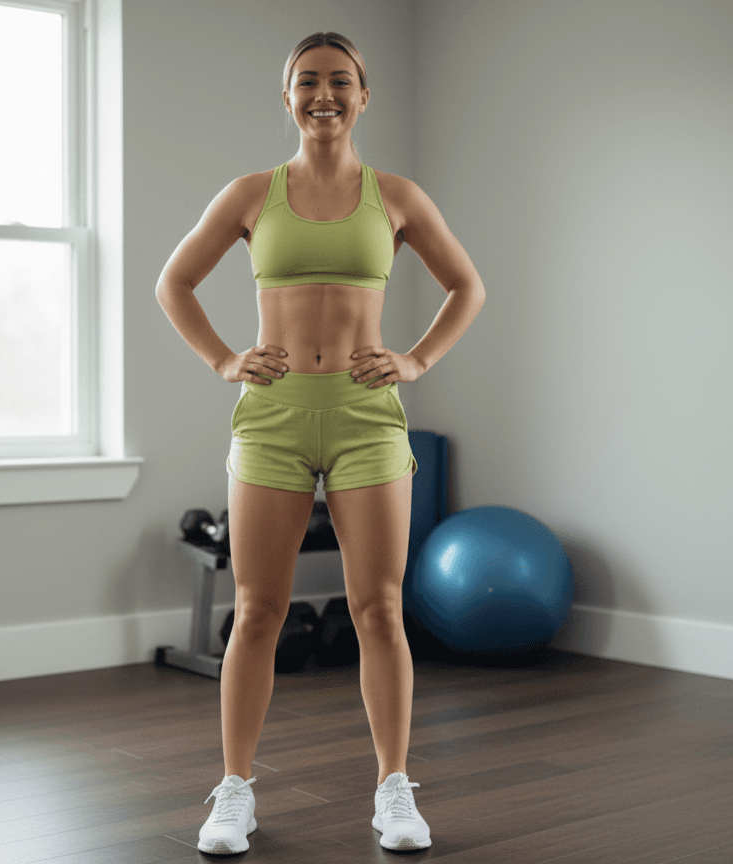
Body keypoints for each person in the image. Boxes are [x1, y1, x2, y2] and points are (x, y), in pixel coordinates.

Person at [155, 31, 485, 855]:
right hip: (270, 420)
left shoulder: (397, 197)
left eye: (340, 81)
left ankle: (393, 790)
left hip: (366, 419)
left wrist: (416, 358)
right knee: (259, 610)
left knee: (379, 608)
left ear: (365, 96)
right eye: (308, 82)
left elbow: (466, 286)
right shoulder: (250, 194)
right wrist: (225, 358)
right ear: (287, 98)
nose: (324, 94)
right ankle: (234, 792)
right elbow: (174, 282)